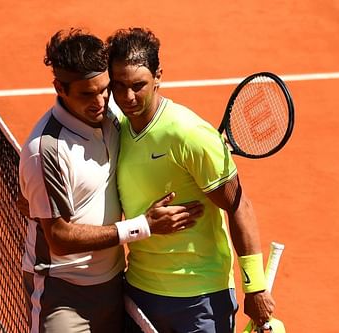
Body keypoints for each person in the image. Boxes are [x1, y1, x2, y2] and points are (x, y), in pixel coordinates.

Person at [18, 28, 204, 333]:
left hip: (116, 285)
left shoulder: (113, 119)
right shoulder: (46, 151)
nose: (100, 101)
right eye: (86, 94)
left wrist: (205, 145)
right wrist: (142, 226)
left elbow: (158, 130)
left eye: (104, 89)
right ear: (59, 88)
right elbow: (60, 238)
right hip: (64, 294)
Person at [107, 27, 276, 333]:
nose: (128, 97)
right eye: (118, 85)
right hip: (140, 289)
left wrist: (255, 287)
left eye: (138, 85)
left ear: (158, 76)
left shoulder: (189, 134)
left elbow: (240, 206)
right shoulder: (116, 127)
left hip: (200, 297)